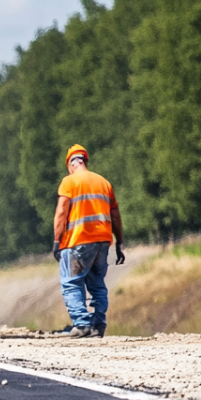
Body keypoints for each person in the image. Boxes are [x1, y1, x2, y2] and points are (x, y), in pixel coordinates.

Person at [53, 144, 125, 338]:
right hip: (102, 242)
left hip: (77, 241)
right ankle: (98, 325)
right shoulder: (104, 183)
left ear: (71, 164)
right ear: (84, 160)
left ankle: (82, 324)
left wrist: (57, 240)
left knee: (71, 283)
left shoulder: (69, 182)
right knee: (97, 284)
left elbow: (61, 212)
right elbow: (115, 215)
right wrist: (119, 242)